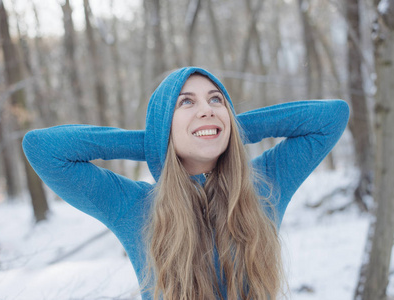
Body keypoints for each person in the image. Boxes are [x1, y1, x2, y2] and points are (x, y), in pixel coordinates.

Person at [22, 67, 349, 299]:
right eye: (186, 102)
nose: (206, 110)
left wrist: (231, 128)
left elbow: (332, 116)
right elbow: (43, 148)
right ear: (164, 123)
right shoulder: (136, 207)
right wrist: (157, 142)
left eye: (216, 100)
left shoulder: (264, 184)